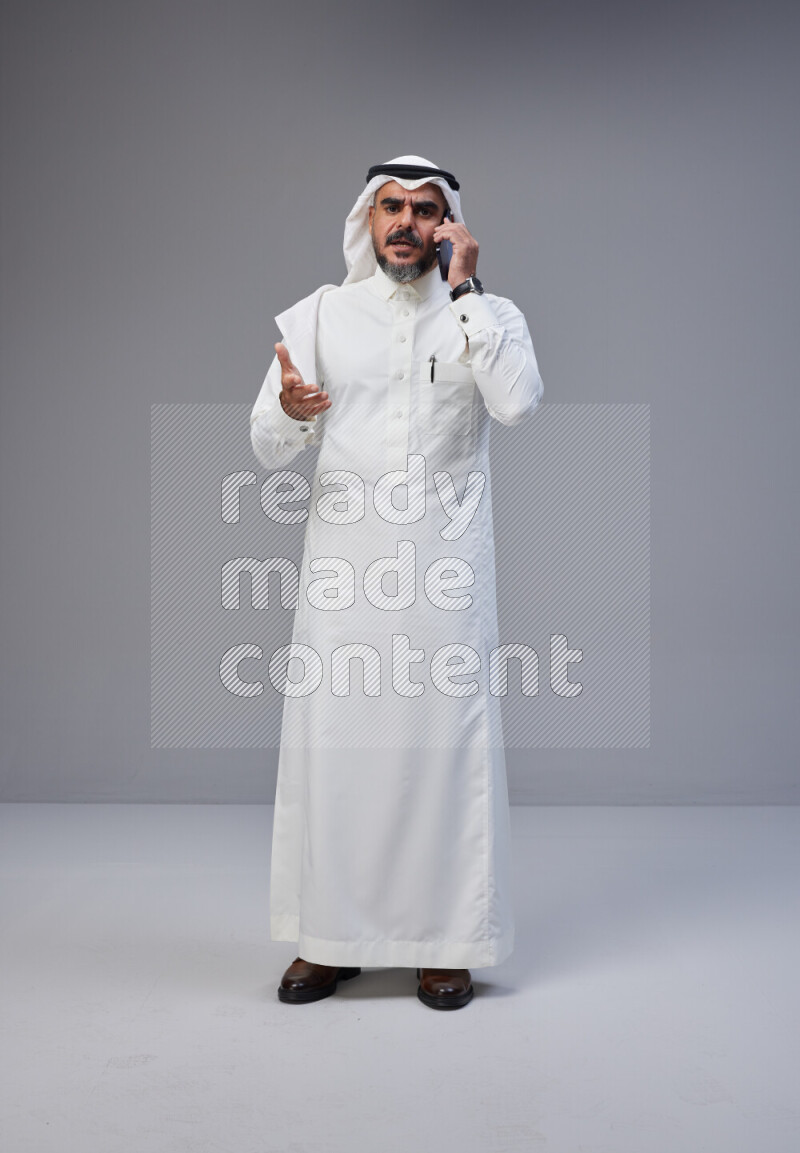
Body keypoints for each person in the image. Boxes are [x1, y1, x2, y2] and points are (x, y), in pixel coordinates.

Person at [249, 155, 543, 1010]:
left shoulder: (484, 314)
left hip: (445, 581)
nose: (407, 221)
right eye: (391, 207)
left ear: (449, 226)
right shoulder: (319, 317)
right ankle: (328, 940)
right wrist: (290, 412)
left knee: (442, 756)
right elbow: (266, 441)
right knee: (334, 753)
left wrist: (468, 290)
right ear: (367, 222)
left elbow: (518, 403)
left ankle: (444, 943)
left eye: (425, 208)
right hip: (343, 577)